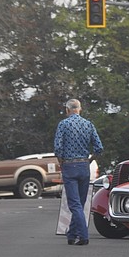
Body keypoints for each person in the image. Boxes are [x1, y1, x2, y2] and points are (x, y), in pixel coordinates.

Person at [53, 98, 104, 246]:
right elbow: (99, 147)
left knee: (74, 204)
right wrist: (89, 160)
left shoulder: (63, 124)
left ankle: (83, 236)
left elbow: (58, 147)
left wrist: (61, 162)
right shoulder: (88, 124)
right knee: (80, 203)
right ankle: (71, 233)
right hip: (84, 165)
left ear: (67, 110)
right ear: (79, 109)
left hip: (69, 165)